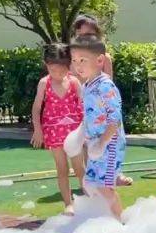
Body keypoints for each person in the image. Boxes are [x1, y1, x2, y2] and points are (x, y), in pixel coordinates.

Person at [71, 14, 133, 189]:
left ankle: (113, 174)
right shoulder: (76, 59)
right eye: (81, 36)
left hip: (102, 111)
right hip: (86, 107)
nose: (85, 39)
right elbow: (76, 82)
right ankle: (91, 179)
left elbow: (108, 86)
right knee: (87, 144)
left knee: (106, 146)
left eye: (89, 35)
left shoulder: (104, 60)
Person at [71, 34, 126, 220]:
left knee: (104, 186)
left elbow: (114, 119)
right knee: (91, 182)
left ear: (100, 60)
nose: (77, 65)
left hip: (109, 145)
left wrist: (102, 144)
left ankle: (121, 223)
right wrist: (81, 136)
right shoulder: (87, 85)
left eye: (83, 60)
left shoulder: (105, 86)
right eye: (74, 60)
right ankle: (102, 220)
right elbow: (89, 116)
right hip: (96, 143)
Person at [31, 43, 86, 214]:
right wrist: (38, 129)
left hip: (74, 132)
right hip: (54, 132)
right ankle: (68, 203)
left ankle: (89, 197)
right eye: (53, 70)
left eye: (62, 71)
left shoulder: (74, 82)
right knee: (62, 169)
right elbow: (36, 108)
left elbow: (83, 105)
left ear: (69, 65)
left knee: (79, 168)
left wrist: (87, 128)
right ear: (46, 65)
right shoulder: (44, 83)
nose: (57, 74)